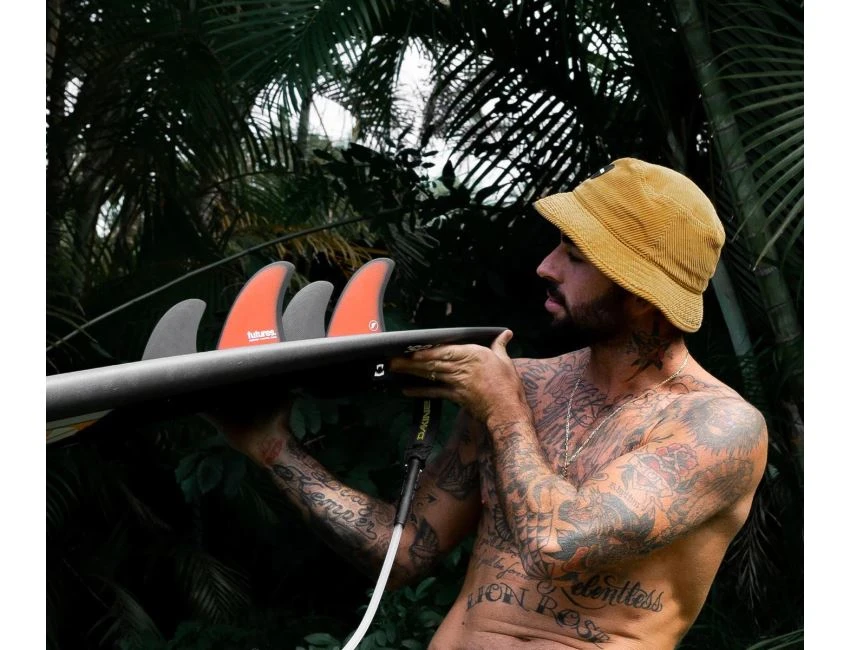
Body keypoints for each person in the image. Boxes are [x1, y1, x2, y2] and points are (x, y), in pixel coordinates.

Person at [211, 157, 768, 649]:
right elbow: (401, 553)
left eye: (574, 256)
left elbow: (557, 544)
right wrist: (272, 447)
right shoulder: (521, 385)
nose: (546, 267)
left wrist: (502, 410)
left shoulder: (719, 427)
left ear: (642, 295)